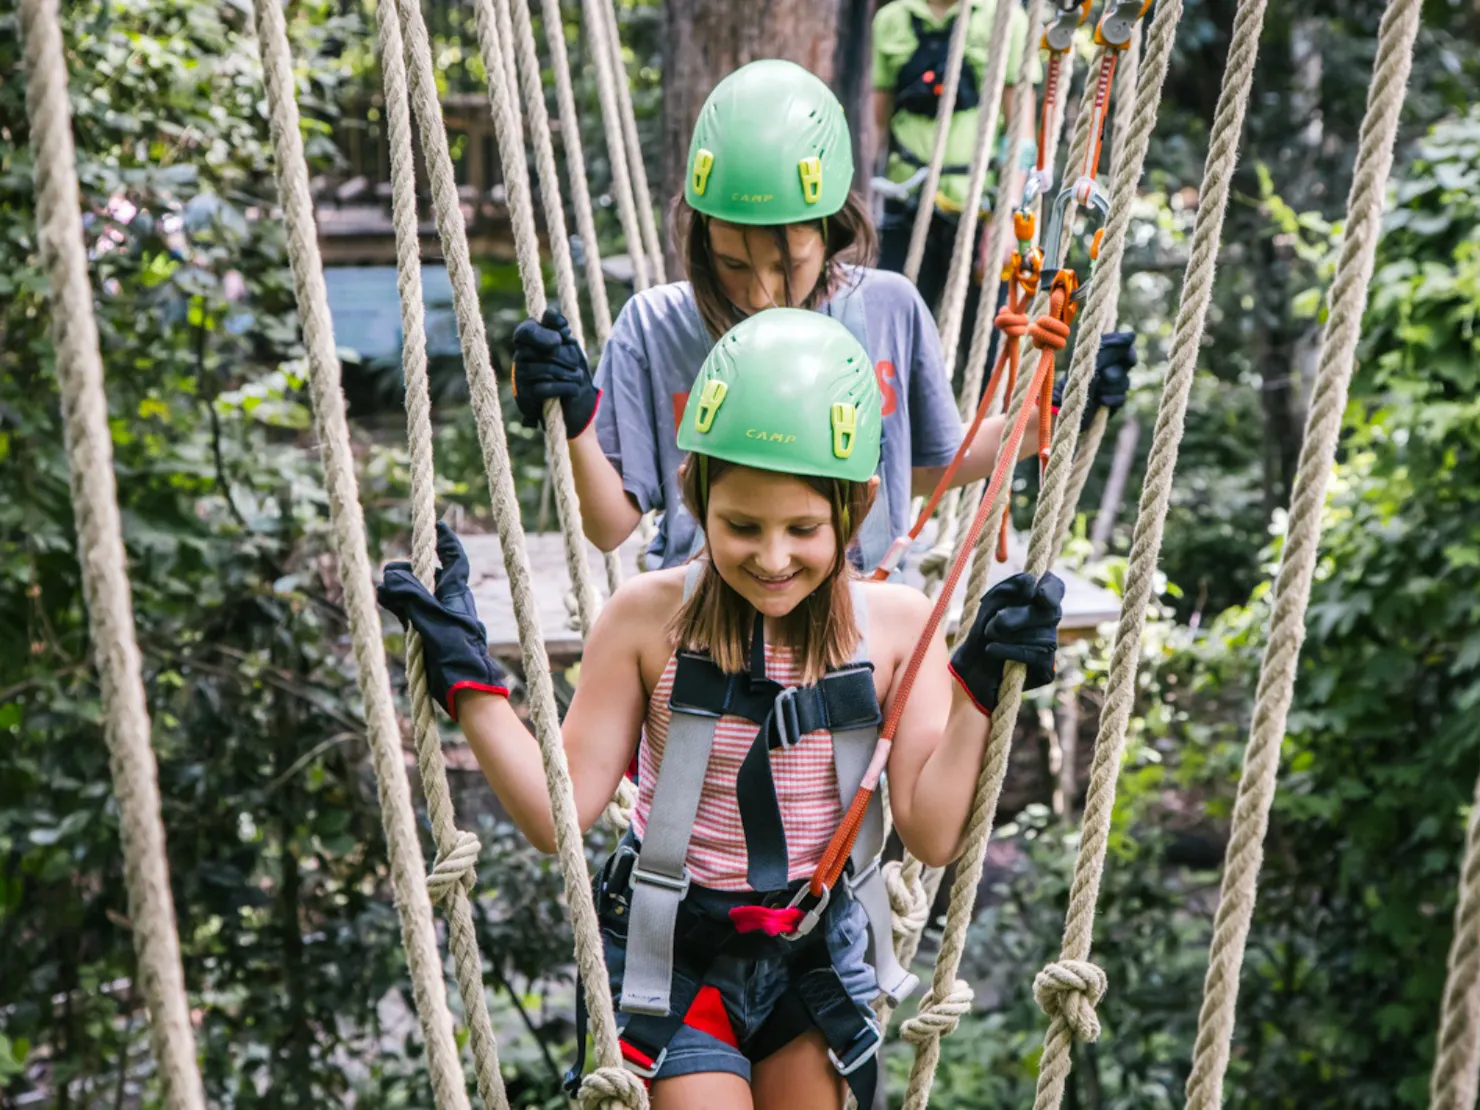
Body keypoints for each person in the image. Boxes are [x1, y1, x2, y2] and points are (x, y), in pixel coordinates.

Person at [381, 310, 1064, 1109]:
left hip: (812, 955)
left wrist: (977, 686)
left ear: (859, 506)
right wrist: (471, 682)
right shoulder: (646, 619)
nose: (772, 558)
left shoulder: (898, 625)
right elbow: (553, 812)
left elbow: (933, 830)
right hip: (673, 957)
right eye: (741, 526)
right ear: (695, 494)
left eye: (803, 529)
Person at [509, 58, 1042, 580]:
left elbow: (925, 467)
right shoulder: (656, 327)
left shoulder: (888, 308)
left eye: (787, 266)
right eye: (732, 264)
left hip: (863, 625)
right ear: (700, 240)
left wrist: (1054, 408)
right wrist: (575, 419)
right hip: (702, 626)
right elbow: (608, 527)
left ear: (833, 231)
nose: (761, 294)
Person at [871, 0, 1038, 316]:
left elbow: (1021, 133)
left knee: (988, 334)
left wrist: (1010, 213)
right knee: (893, 328)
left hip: (981, 211)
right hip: (905, 205)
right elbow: (876, 126)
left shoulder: (1006, 20)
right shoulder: (892, 20)